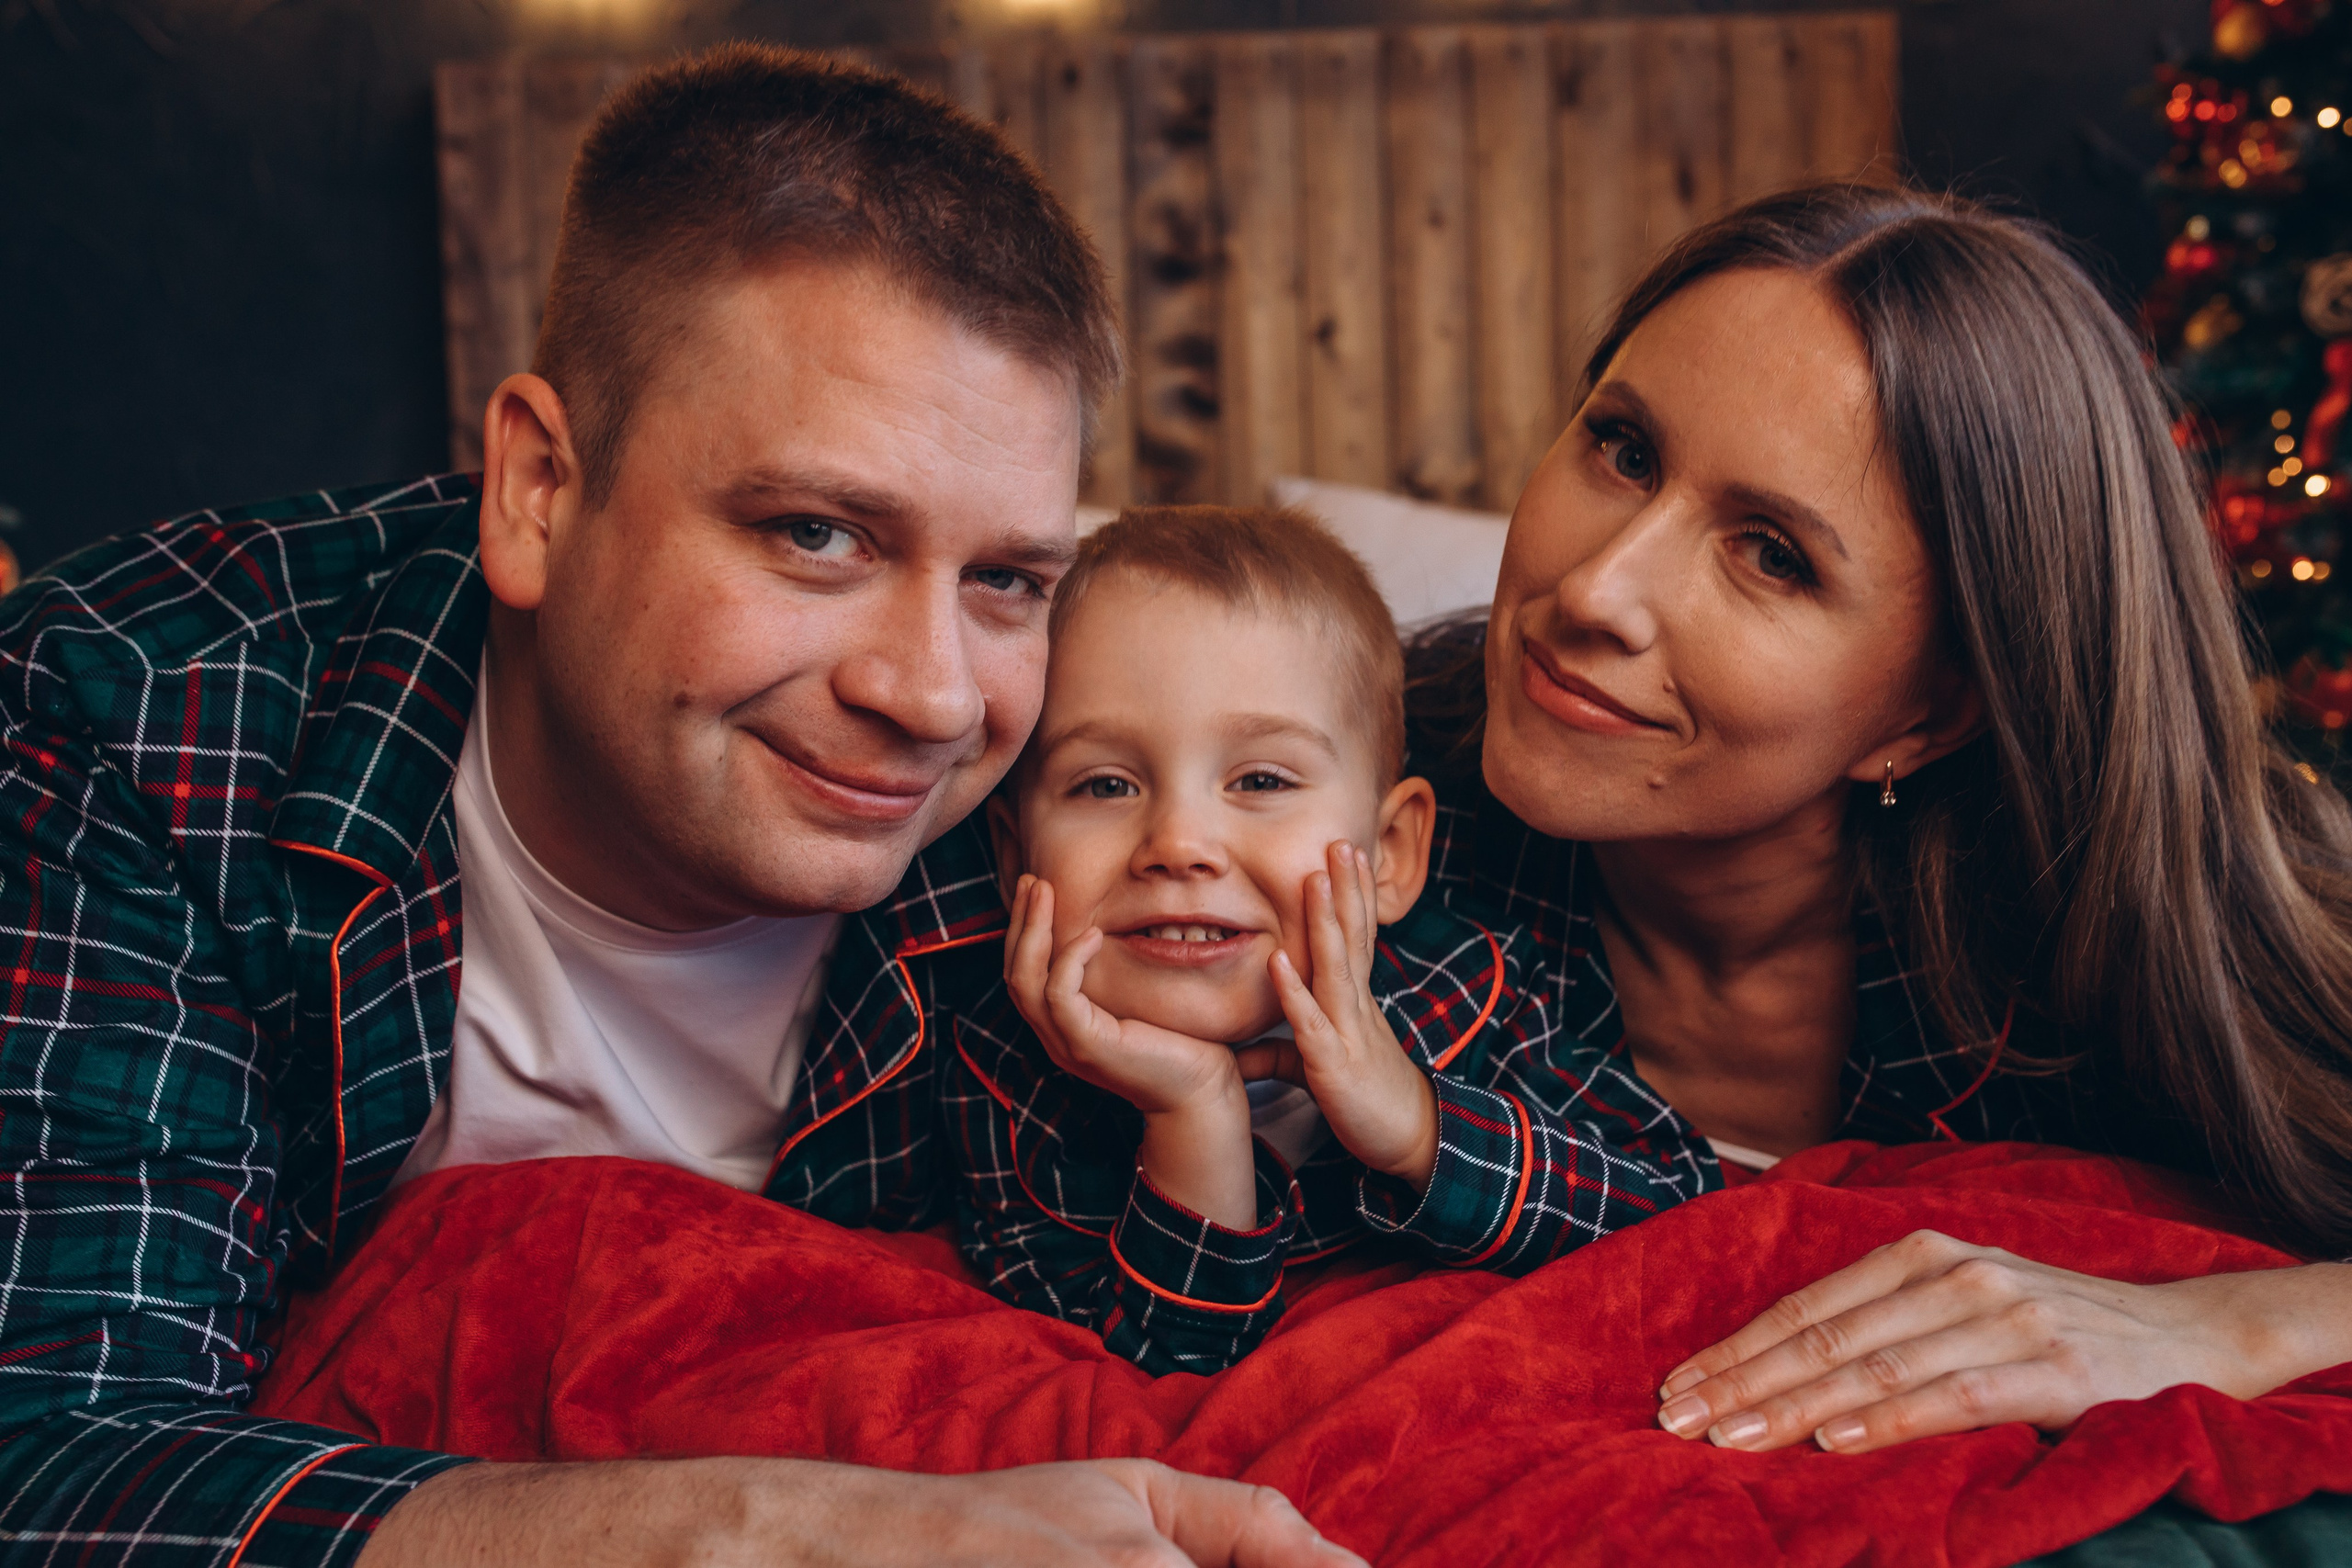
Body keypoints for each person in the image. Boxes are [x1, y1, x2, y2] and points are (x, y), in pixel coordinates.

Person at [0, 45, 1356, 1568]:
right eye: (818, 533)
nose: (932, 696)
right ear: (538, 488)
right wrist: (756, 1533)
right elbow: (52, 1456)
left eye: (1005, 580)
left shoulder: (1076, 785)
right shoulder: (135, 720)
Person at [1405, 181, 2352, 1461]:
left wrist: (2229, 1329)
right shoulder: (1321, 792)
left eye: (1773, 554)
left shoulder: (2125, 914)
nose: (1593, 589)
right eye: (1624, 448)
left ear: (1932, 714)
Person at [946, 505, 1710, 1374]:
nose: (1179, 843)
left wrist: (1418, 1125)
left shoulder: (1476, 992)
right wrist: (1190, 1116)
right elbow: (1139, 1365)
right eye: (1106, 783)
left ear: (1389, 855)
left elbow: (1687, 1211)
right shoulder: (1003, 1074)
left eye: (1262, 778)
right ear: (1015, 858)